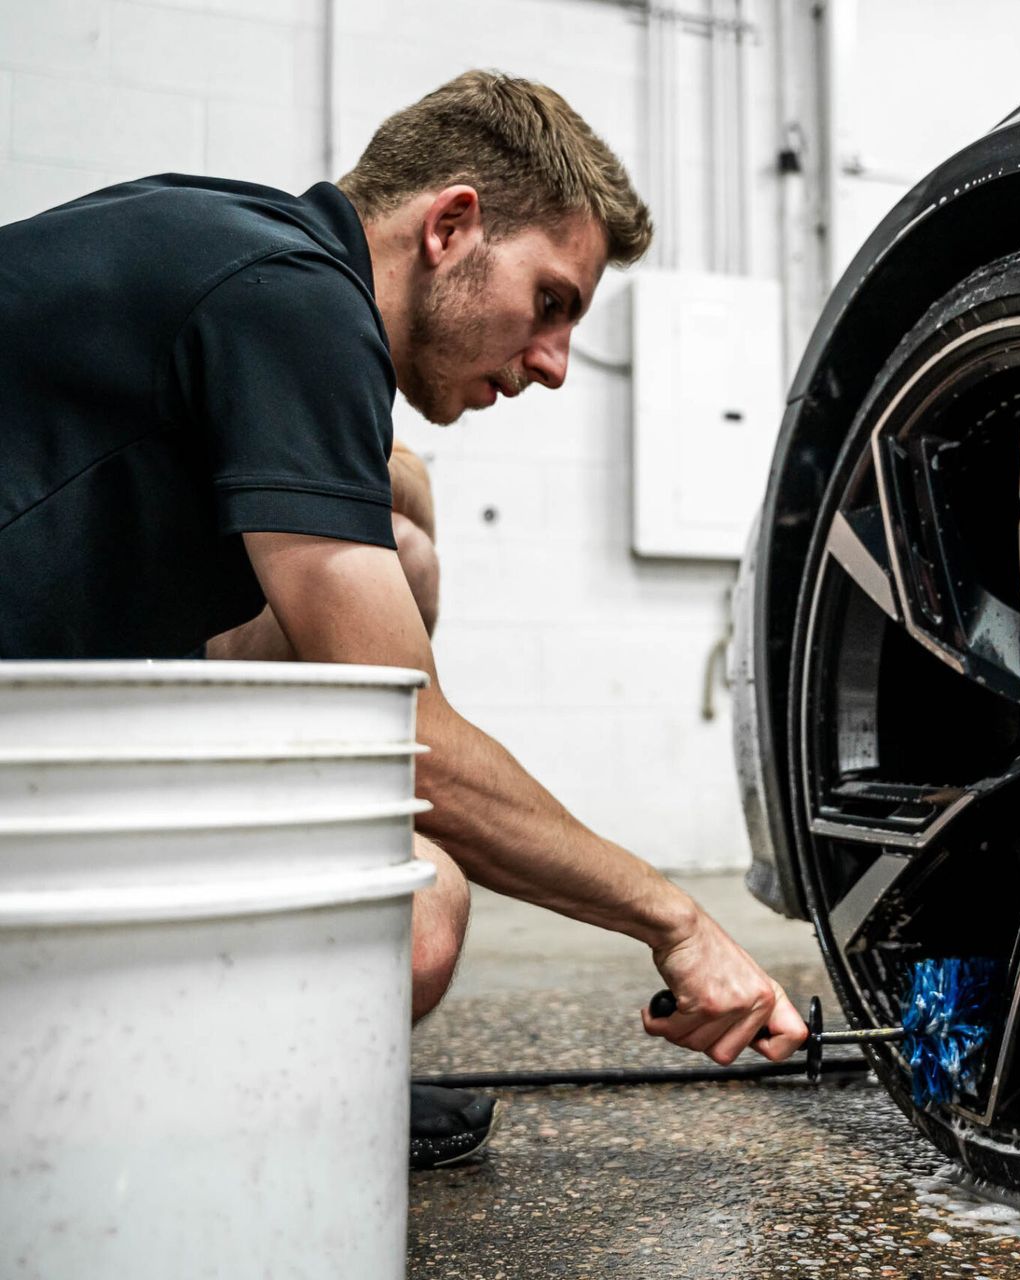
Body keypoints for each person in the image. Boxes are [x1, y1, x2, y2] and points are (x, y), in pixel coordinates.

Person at [0, 71, 810, 1167]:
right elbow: (412, 737)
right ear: (453, 226)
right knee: (420, 910)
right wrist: (675, 919)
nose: (556, 364)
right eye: (553, 302)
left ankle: (295, 1065)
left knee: (402, 539)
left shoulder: (245, 248)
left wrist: (398, 474)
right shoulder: (296, 302)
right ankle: (205, 1112)